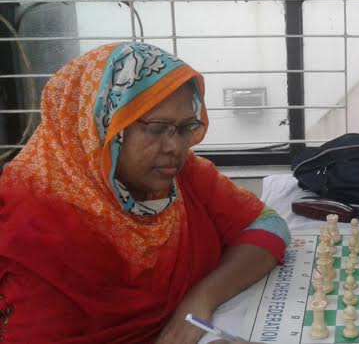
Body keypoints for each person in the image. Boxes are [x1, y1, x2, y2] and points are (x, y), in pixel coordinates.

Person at [0, 42, 291, 343]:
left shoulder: (180, 177)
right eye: (156, 128)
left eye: (185, 128)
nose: (176, 147)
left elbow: (268, 226)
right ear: (99, 127)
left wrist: (200, 300)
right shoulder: (32, 227)